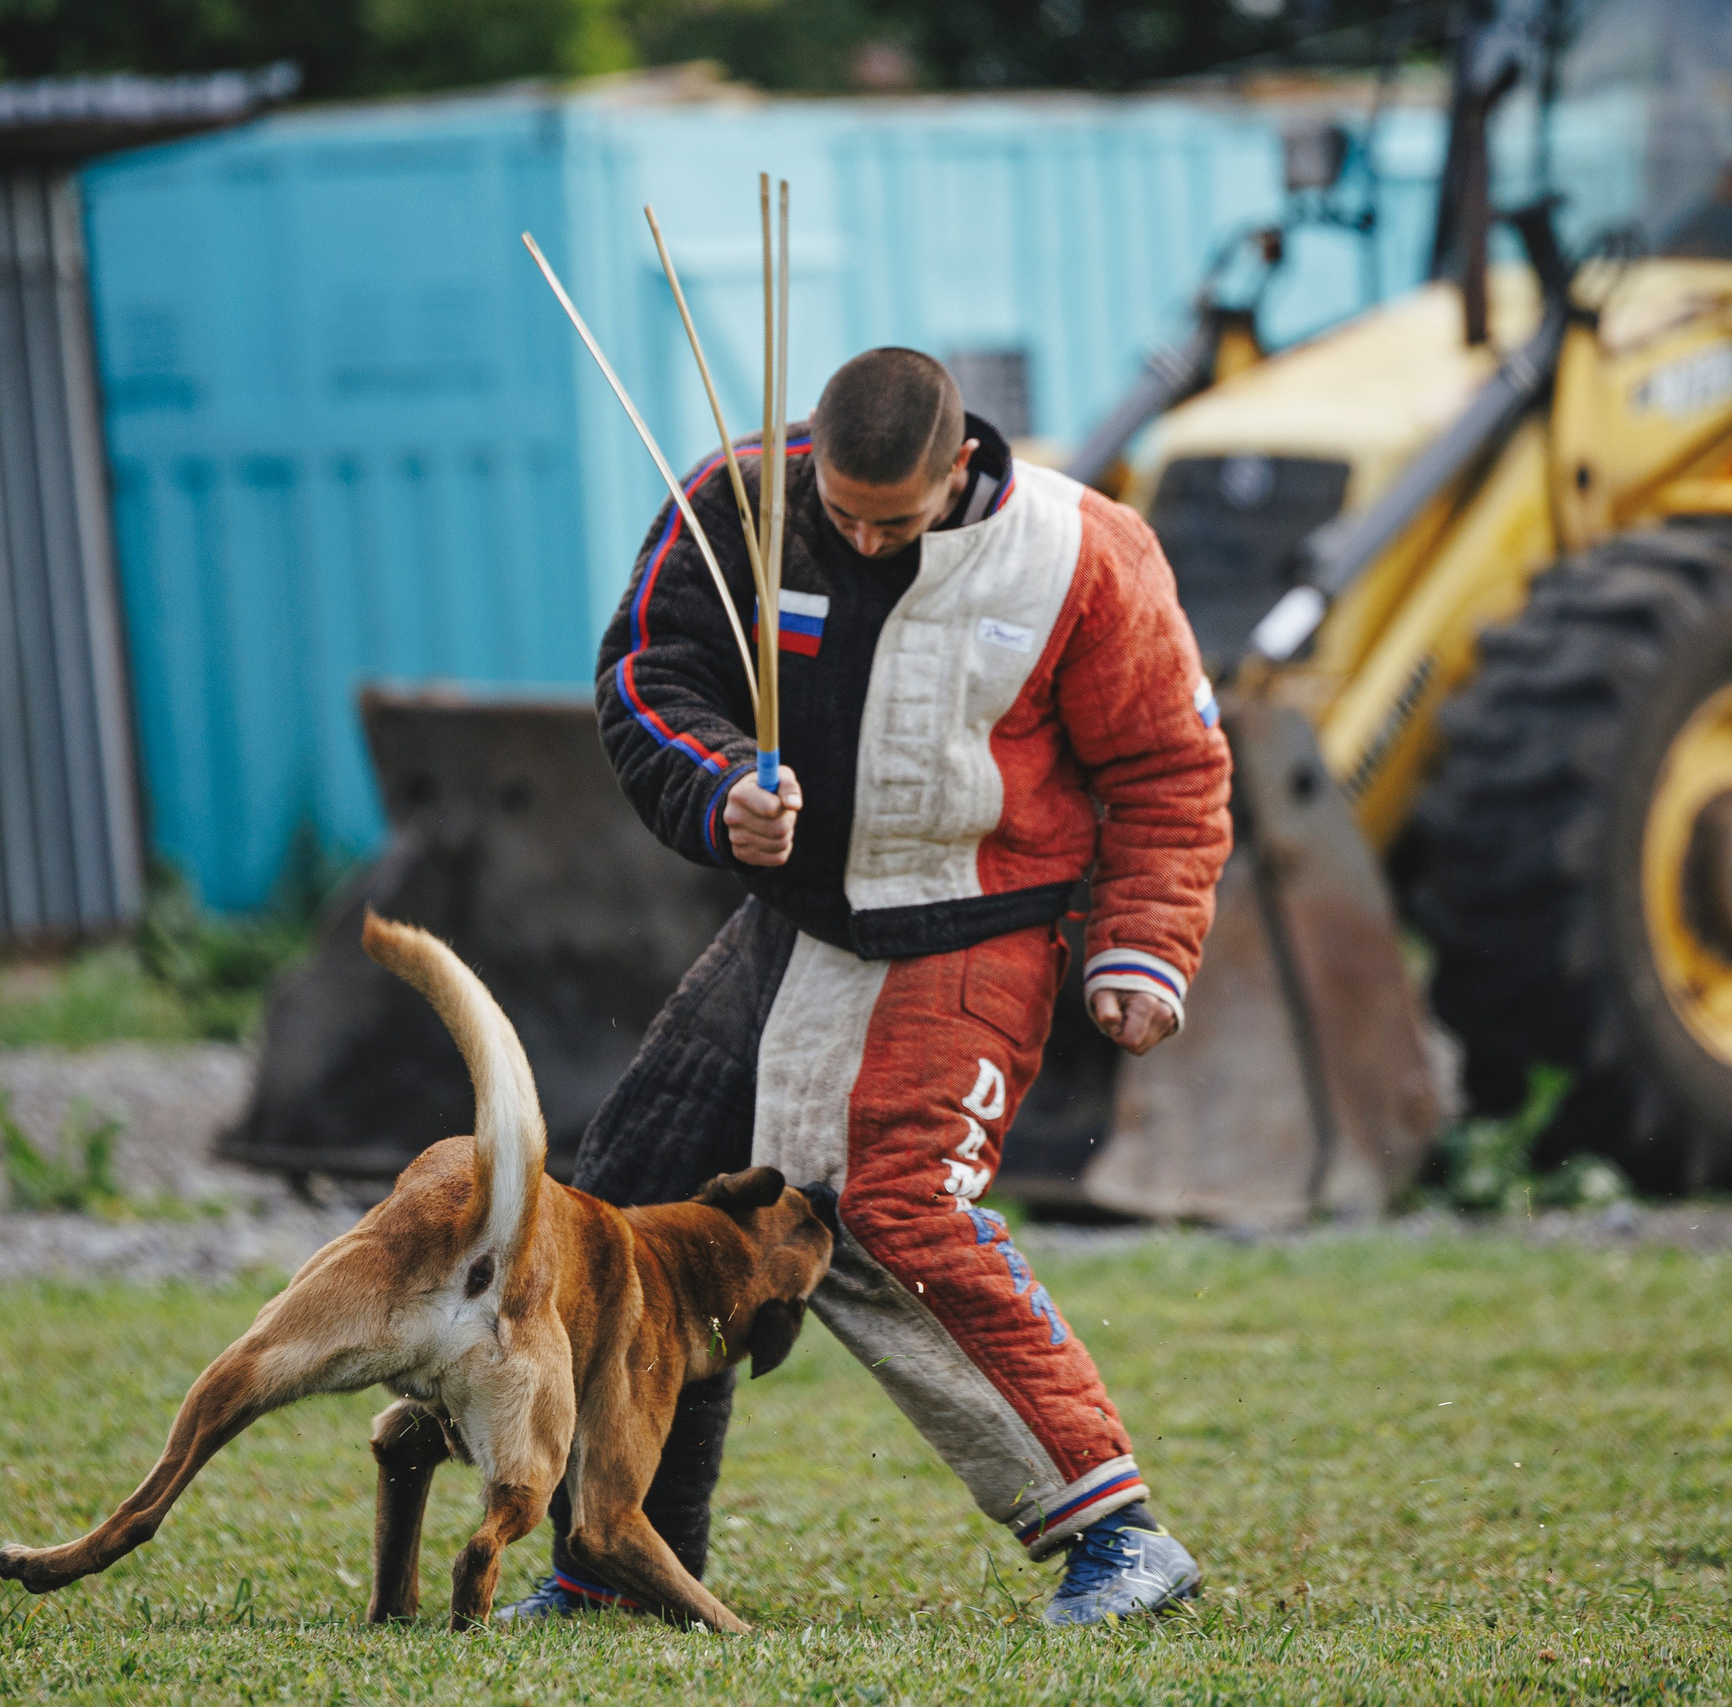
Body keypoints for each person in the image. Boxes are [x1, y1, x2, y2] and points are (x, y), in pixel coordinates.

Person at [501, 348, 1231, 1626]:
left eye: (891, 521)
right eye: (842, 515)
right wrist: (723, 786)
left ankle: (1117, 1538)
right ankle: (621, 1568)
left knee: (889, 1211)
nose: (861, 538)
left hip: (979, 929)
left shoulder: (1087, 551)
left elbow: (1170, 765)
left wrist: (1144, 947)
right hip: (795, 929)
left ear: (959, 467)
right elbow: (645, 680)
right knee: (628, 1220)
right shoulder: (735, 500)